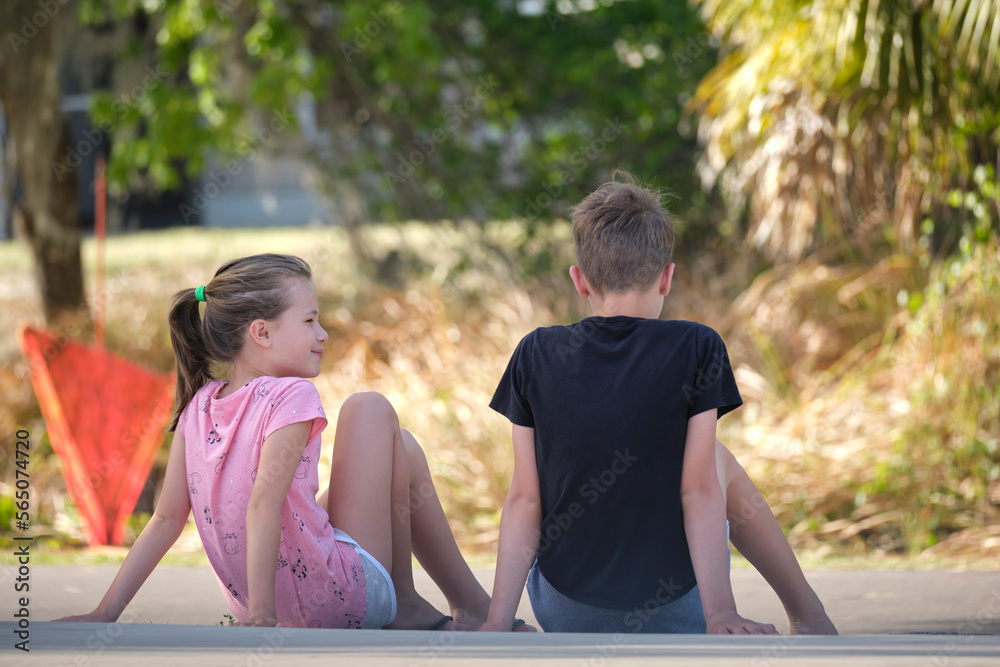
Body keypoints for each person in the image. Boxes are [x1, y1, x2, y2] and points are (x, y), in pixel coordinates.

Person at [57, 253, 524, 631]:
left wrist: (105, 613)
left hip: (268, 605)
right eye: (310, 321)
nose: (322, 334)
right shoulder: (291, 394)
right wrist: (264, 618)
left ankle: (449, 605)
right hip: (341, 600)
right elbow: (262, 502)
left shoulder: (198, 405)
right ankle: (419, 602)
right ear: (260, 332)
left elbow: (163, 520)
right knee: (371, 410)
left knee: (398, 447)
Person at [479, 175, 838, 635]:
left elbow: (524, 499)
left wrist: (496, 623)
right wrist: (721, 616)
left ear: (579, 281)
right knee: (714, 460)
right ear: (667, 277)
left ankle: (504, 614)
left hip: (565, 610)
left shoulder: (536, 351)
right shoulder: (697, 345)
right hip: (678, 609)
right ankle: (808, 616)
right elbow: (700, 490)